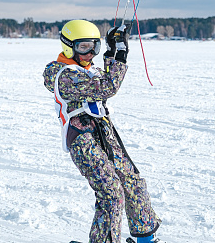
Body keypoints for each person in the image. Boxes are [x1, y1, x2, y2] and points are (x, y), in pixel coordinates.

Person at [43, 20, 164, 243]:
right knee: (111, 192)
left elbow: (105, 83)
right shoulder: (61, 73)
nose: (90, 53)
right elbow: (107, 87)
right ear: (69, 46)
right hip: (82, 139)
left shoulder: (90, 70)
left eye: (94, 47)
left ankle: (146, 239)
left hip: (103, 132)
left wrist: (112, 50)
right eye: (83, 47)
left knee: (132, 182)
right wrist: (119, 56)